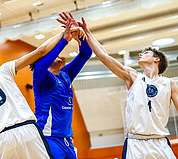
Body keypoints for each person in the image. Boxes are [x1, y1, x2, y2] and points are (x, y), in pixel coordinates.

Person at [58, 13, 178, 158]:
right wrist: (87, 33)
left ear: (156, 59)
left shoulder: (169, 84)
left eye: (145, 53)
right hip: (135, 142)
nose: (140, 54)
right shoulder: (133, 76)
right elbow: (104, 56)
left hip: (160, 142)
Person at [0, 19, 81, 159]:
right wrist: (64, 35)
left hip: (0, 140)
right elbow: (40, 51)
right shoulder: (2, 71)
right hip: (27, 131)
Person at [30, 12, 92, 159]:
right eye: (51, 51)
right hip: (48, 137)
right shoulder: (42, 78)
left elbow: (85, 54)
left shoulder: (65, 74)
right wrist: (64, 40)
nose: (57, 53)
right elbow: (39, 67)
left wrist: (80, 38)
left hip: (67, 140)